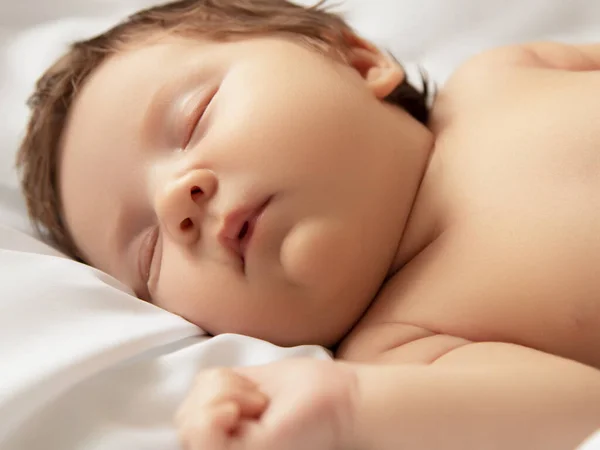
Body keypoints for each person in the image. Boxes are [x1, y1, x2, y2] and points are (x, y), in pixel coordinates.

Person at [16, 0, 600, 448]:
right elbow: (581, 412)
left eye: (193, 119)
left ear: (359, 61)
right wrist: (348, 409)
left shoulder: (501, 77)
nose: (177, 202)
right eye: (149, 252)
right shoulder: (406, 351)